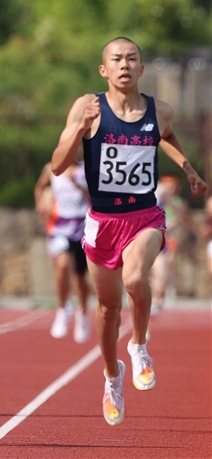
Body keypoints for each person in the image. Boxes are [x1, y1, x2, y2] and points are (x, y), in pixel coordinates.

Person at [50, 36, 207, 426]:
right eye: (116, 59)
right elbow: (56, 165)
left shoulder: (161, 110)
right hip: (103, 223)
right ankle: (111, 376)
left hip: (144, 218)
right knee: (107, 308)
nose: (124, 64)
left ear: (141, 68)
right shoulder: (88, 108)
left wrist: (187, 168)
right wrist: (79, 129)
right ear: (104, 70)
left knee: (136, 279)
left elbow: (165, 136)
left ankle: (139, 346)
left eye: (131, 58)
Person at [34, 160, 91, 343]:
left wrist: (76, 183)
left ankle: (82, 314)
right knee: (62, 264)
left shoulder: (87, 167)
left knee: (80, 279)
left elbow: (95, 197)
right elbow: (39, 187)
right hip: (60, 228)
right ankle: (62, 309)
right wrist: (40, 204)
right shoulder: (51, 168)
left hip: (83, 228)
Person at [150, 175, 194, 316]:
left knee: (164, 271)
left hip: (162, 239)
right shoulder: (130, 186)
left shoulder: (162, 192)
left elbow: (181, 212)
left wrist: (168, 225)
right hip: (138, 240)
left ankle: (162, 296)